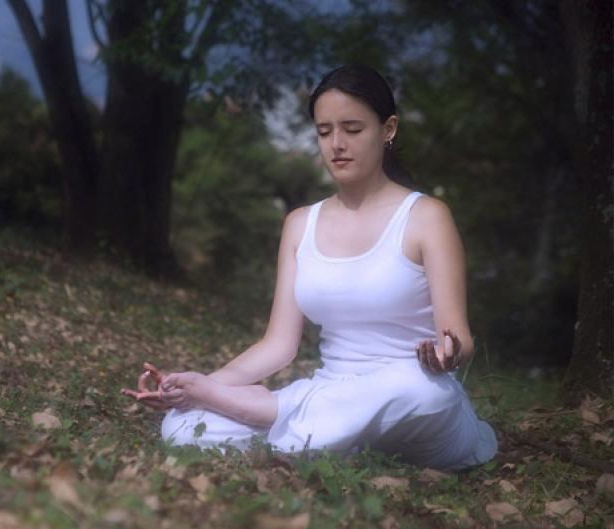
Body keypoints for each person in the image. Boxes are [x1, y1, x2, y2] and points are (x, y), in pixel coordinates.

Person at [121, 64, 497, 470]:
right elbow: (279, 344)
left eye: (352, 129)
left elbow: (458, 337)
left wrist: (447, 355)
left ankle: (286, 419)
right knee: (182, 425)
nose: (336, 144)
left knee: (420, 391)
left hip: (415, 401)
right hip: (330, 391)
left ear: (388, 129)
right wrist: (203, 385)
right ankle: (321, 436)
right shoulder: (301, 224)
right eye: (324, 131)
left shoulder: (426, 216)